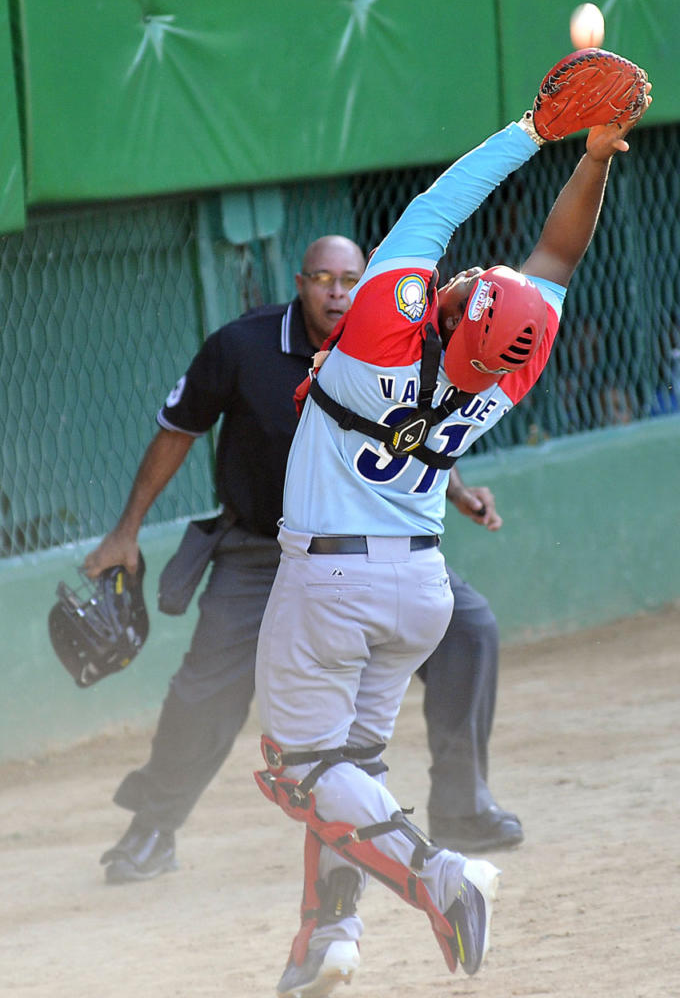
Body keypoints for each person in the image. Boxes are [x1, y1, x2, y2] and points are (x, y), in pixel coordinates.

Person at [253, 90, 651, 997]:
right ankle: (328, 936)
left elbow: (439, 207)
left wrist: (532, 134)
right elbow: (557, 256)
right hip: (418, 588)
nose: (479, 272)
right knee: (349, 767)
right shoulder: (511, 365)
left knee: (297, 769)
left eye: (478, 286)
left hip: (330, 584)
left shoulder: (386, 324)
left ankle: (441, 876)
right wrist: (592, 161)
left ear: (453, 313)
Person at [84, 234, 519, 886]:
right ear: (300, 281)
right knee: (207, 690)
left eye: (350, 279)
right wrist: (126, 530)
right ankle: (153, 829)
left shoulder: (401, 340)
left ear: (368, 283)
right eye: (322, 278)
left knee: (472, 633)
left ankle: (461, 807)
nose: (337, 292)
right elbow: (179, 430)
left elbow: (412, 433)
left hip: (366, 548)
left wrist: (455, 491)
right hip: (262, 550)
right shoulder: (244, 345)